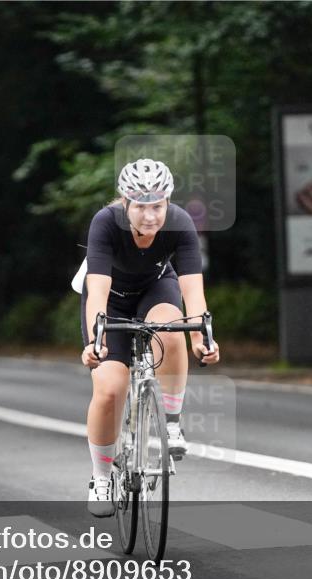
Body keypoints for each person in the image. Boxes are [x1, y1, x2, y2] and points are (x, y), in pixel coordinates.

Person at [78, 158, 220, 517]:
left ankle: (172, 424)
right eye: (141, 206)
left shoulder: (180, 224)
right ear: (125, 202)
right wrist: (96, 340)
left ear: (167, 203)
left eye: (157, 206)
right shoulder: (106, 224)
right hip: (110, 299)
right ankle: (100, 477)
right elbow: (97, 289)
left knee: (171, 330)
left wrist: (202, 338)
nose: (150, 216)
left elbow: (193, 292)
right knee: (110, 388)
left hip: (156, 289)